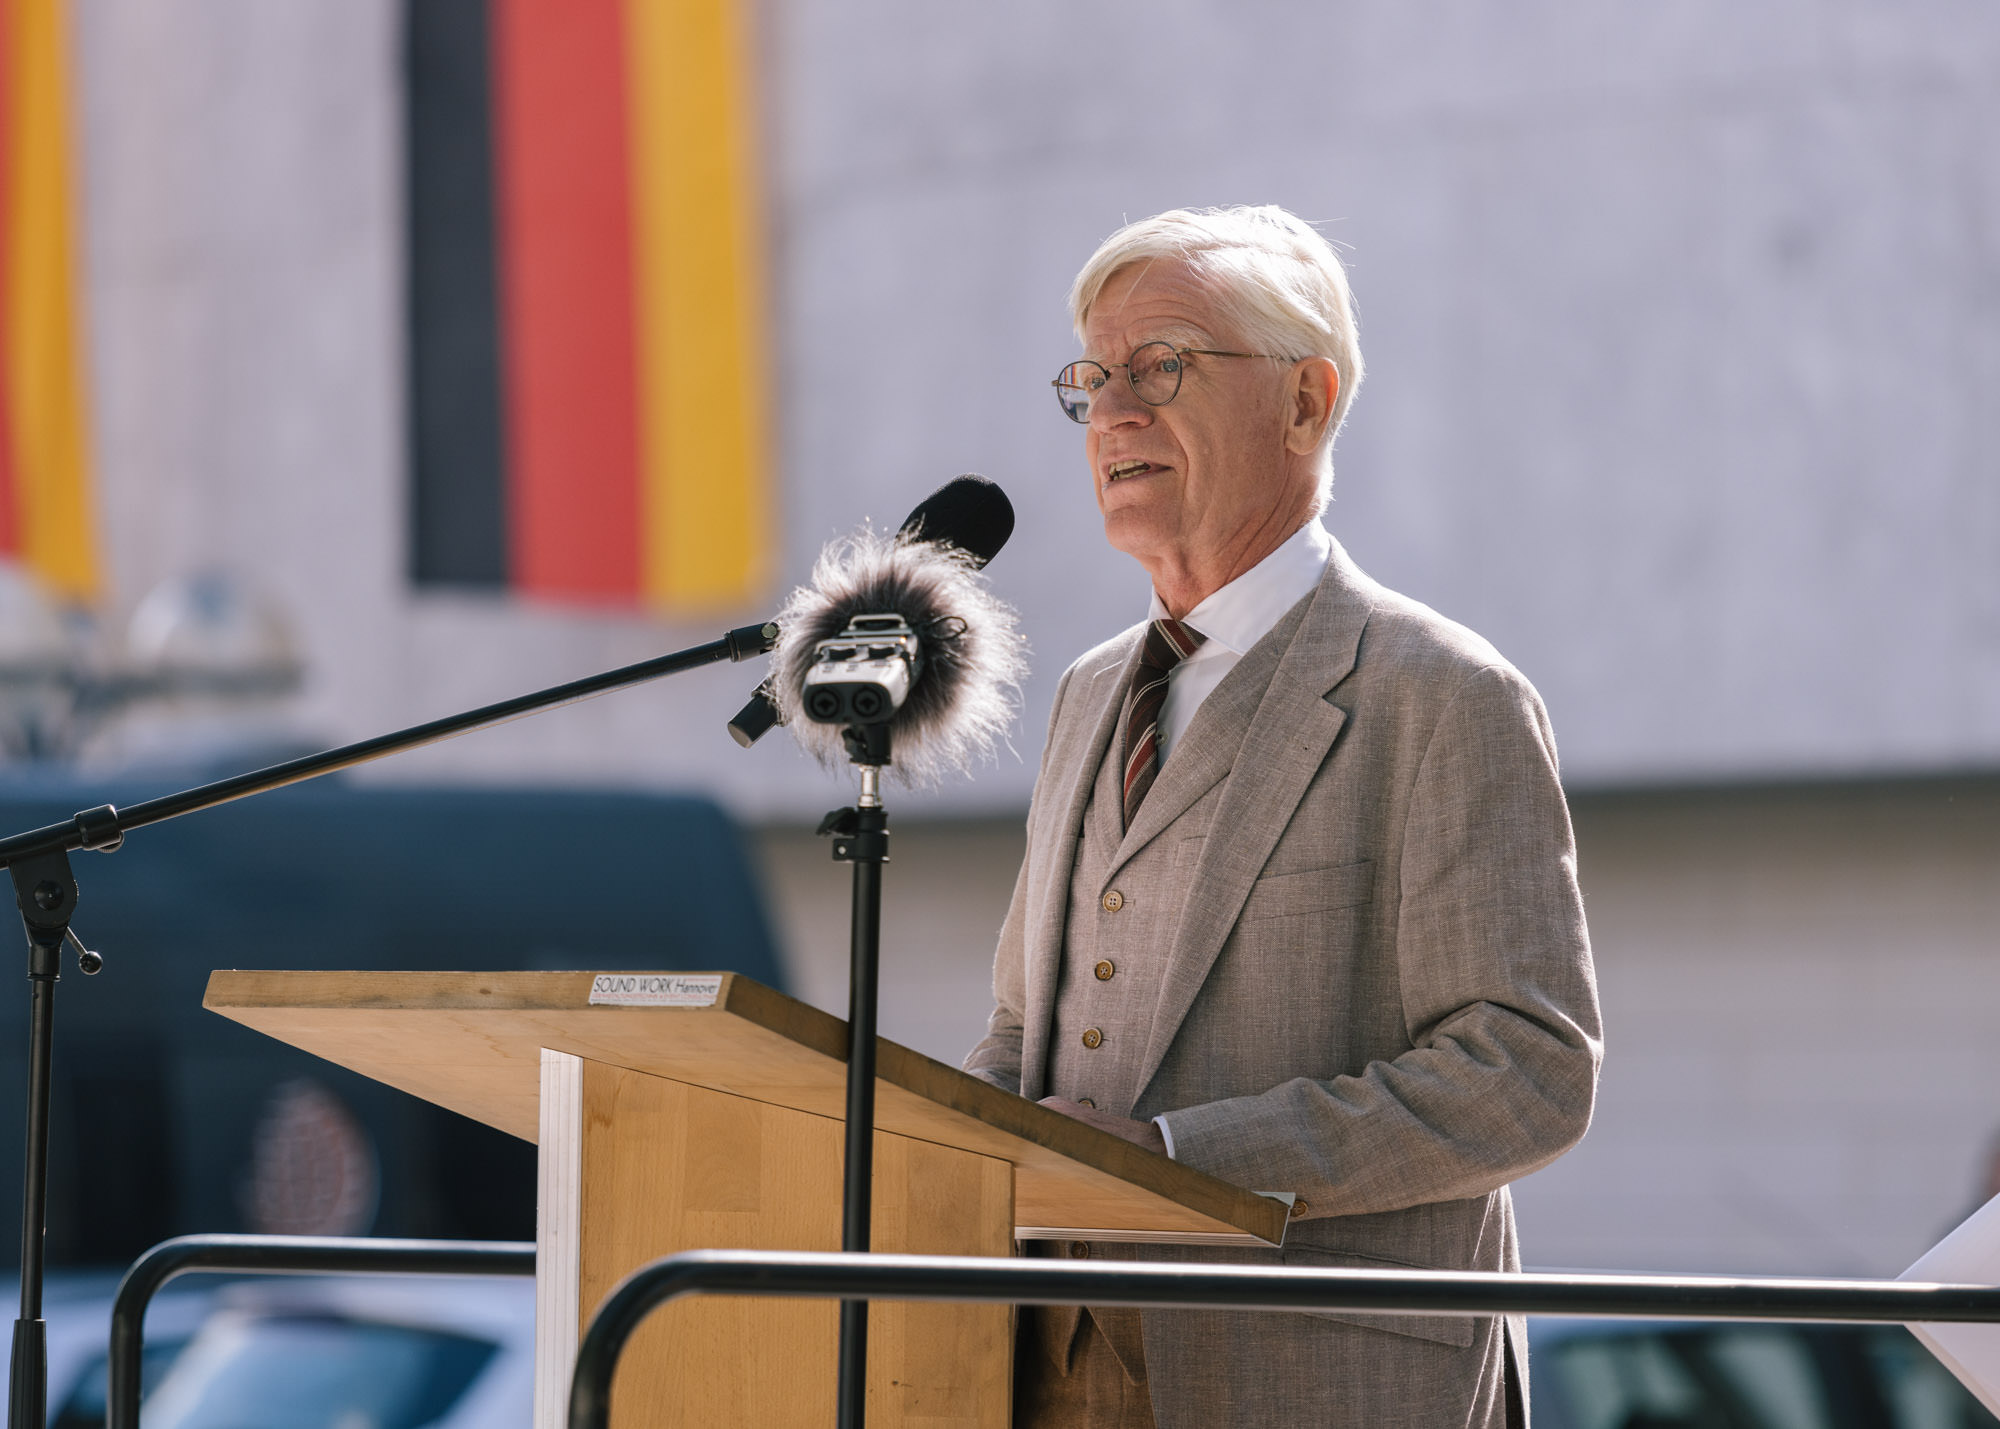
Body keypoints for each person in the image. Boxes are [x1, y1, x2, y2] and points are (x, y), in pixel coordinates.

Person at [964, 205, 1604, 1429]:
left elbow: (1528, 1072)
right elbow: (1020, 1031)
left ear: (1303, 402)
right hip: (1029, 1373)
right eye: (1091, 380)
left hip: (1313, 1381)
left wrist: (1167, 1165)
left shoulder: (1443, 693)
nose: (1111, 413)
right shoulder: (1088, 695)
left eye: (1159, 367)